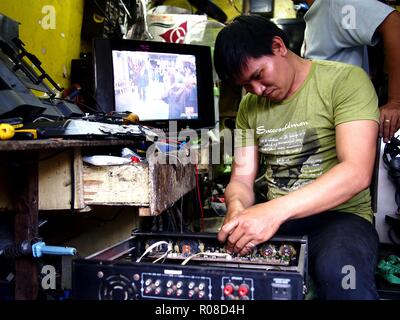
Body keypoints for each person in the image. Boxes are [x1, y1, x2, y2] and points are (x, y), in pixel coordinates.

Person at [214, 14, 380, 299]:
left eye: (258, 76)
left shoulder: (345, 81)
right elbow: (241, 178)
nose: (256, 91)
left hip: (341, 217)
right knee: (229, 273)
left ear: (278, 46)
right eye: (246, 86)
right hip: (280, 218)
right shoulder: (249, 107)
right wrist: (237, 208)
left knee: (340, 272)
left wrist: (273, 211)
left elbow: (356, 172)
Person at [292, 0, 400, 143]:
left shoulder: (336, 4)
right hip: (328, 121)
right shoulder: (318, 10)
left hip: (349, 119)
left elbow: (393, 23)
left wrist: (395, 102)